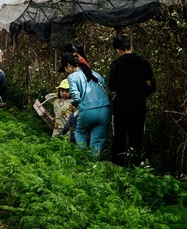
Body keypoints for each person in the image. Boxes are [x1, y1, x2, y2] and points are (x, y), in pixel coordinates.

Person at [109, 34, 157, 167]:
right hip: (138, 108)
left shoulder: (116, 65)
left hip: (121, 108)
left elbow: (112, 86)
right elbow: (152, 86)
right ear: (130, 46)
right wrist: (140, 94)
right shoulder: (144, 64)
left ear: (117, 50)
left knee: (119, 139)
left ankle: (117, 167)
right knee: (136, 139)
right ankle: (135, 167)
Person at [61, 52, 110, 158]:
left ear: (69, 65)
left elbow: (75, 95)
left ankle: (82, 158)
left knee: (79, 131)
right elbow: (105, 90)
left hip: (88, 110)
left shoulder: (72, 76)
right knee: (98, 140)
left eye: (65, 68)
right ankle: (93, 165)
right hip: (105, 110)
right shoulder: (96, 74)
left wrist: (76, 104)